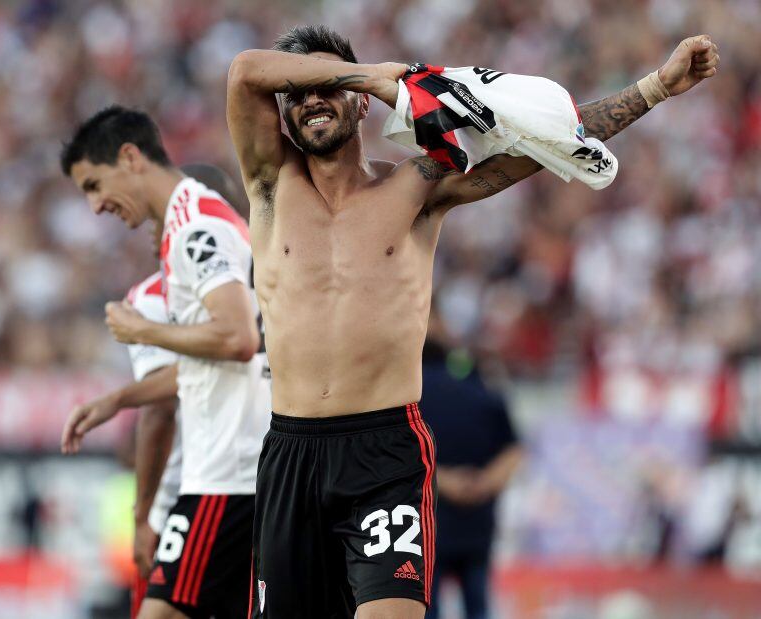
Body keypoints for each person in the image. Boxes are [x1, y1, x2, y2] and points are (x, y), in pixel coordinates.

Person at [227, 23, 718, 619]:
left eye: (326, 88)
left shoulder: (416, 186)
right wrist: (380, 76)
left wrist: (655, 88)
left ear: (361, 104)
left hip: (384, 451)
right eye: (297, 93)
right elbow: (245, 73)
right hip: (292, 453)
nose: (309, 102)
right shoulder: (270, 185)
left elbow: (547, 140)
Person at [60, 109, 270, 619]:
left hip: (227, 474)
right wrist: (116, 400)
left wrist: (143, 330)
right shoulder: (193, 220)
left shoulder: (195, 223)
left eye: (94, 184)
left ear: (130, 158)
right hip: (233, 467)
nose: (94, 206)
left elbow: (238, 338)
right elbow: (220, 354)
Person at [420, 306, 521, 619]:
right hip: (470, 514)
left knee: (428, 606)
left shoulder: (405, 390)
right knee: (477, 605)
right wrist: (482, 483)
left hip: (430, 516)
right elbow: (513, 448)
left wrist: (445, 481)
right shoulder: (480, 381)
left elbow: (393, 452)